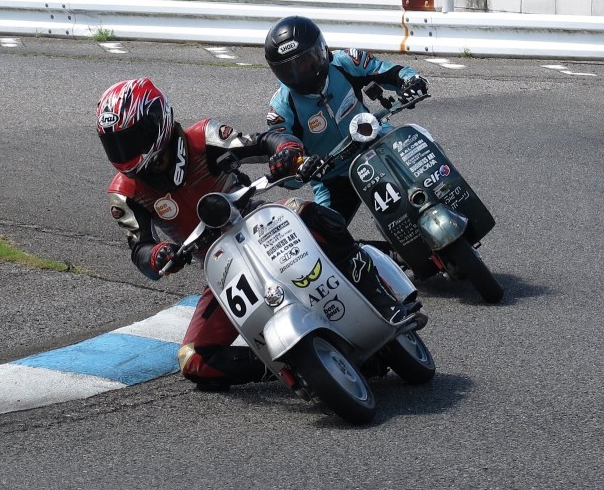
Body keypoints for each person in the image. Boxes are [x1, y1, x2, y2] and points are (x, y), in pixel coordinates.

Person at [96, 77, 413, 391]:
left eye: (131, 139)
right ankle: (287, 367)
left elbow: (261, 142)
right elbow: (139, 248)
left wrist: (286, 150)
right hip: (223, 267)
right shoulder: (124, 193)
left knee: (309, 213)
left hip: (261, 224)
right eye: (116, 144)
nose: (125, 152)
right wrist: (157, 255)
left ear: (157, 120)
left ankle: (377, 292)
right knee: (194, 360)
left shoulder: (202, 136)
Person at [263, 15, 430, 228]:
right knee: (321, 235)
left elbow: (390, 71)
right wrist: (294, 168)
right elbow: (287, 171)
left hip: (377, 143)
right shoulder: (280, 110)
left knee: (423, 154)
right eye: (290, 70)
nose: (300, 73)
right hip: (331, 176)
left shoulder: (347, 61)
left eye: (305, 63)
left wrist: (412, 81)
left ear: (322, 50)